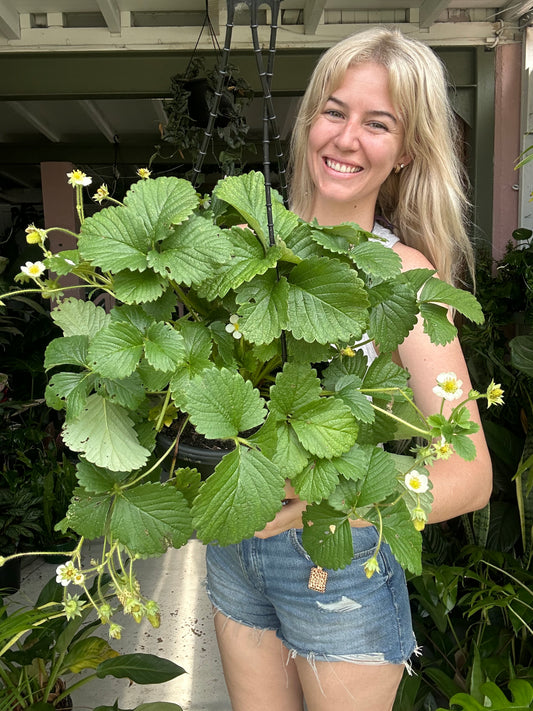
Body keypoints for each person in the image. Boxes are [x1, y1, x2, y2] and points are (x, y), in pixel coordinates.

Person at [205, 26, 492, 711]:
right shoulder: (242, 244)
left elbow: (469, 473)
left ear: (404, 151)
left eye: (377, 123)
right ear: (309, 120)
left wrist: (343, 508)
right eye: (334, 111)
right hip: (234, 546)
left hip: (334, 563)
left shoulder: (401, 276)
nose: (345, 137)